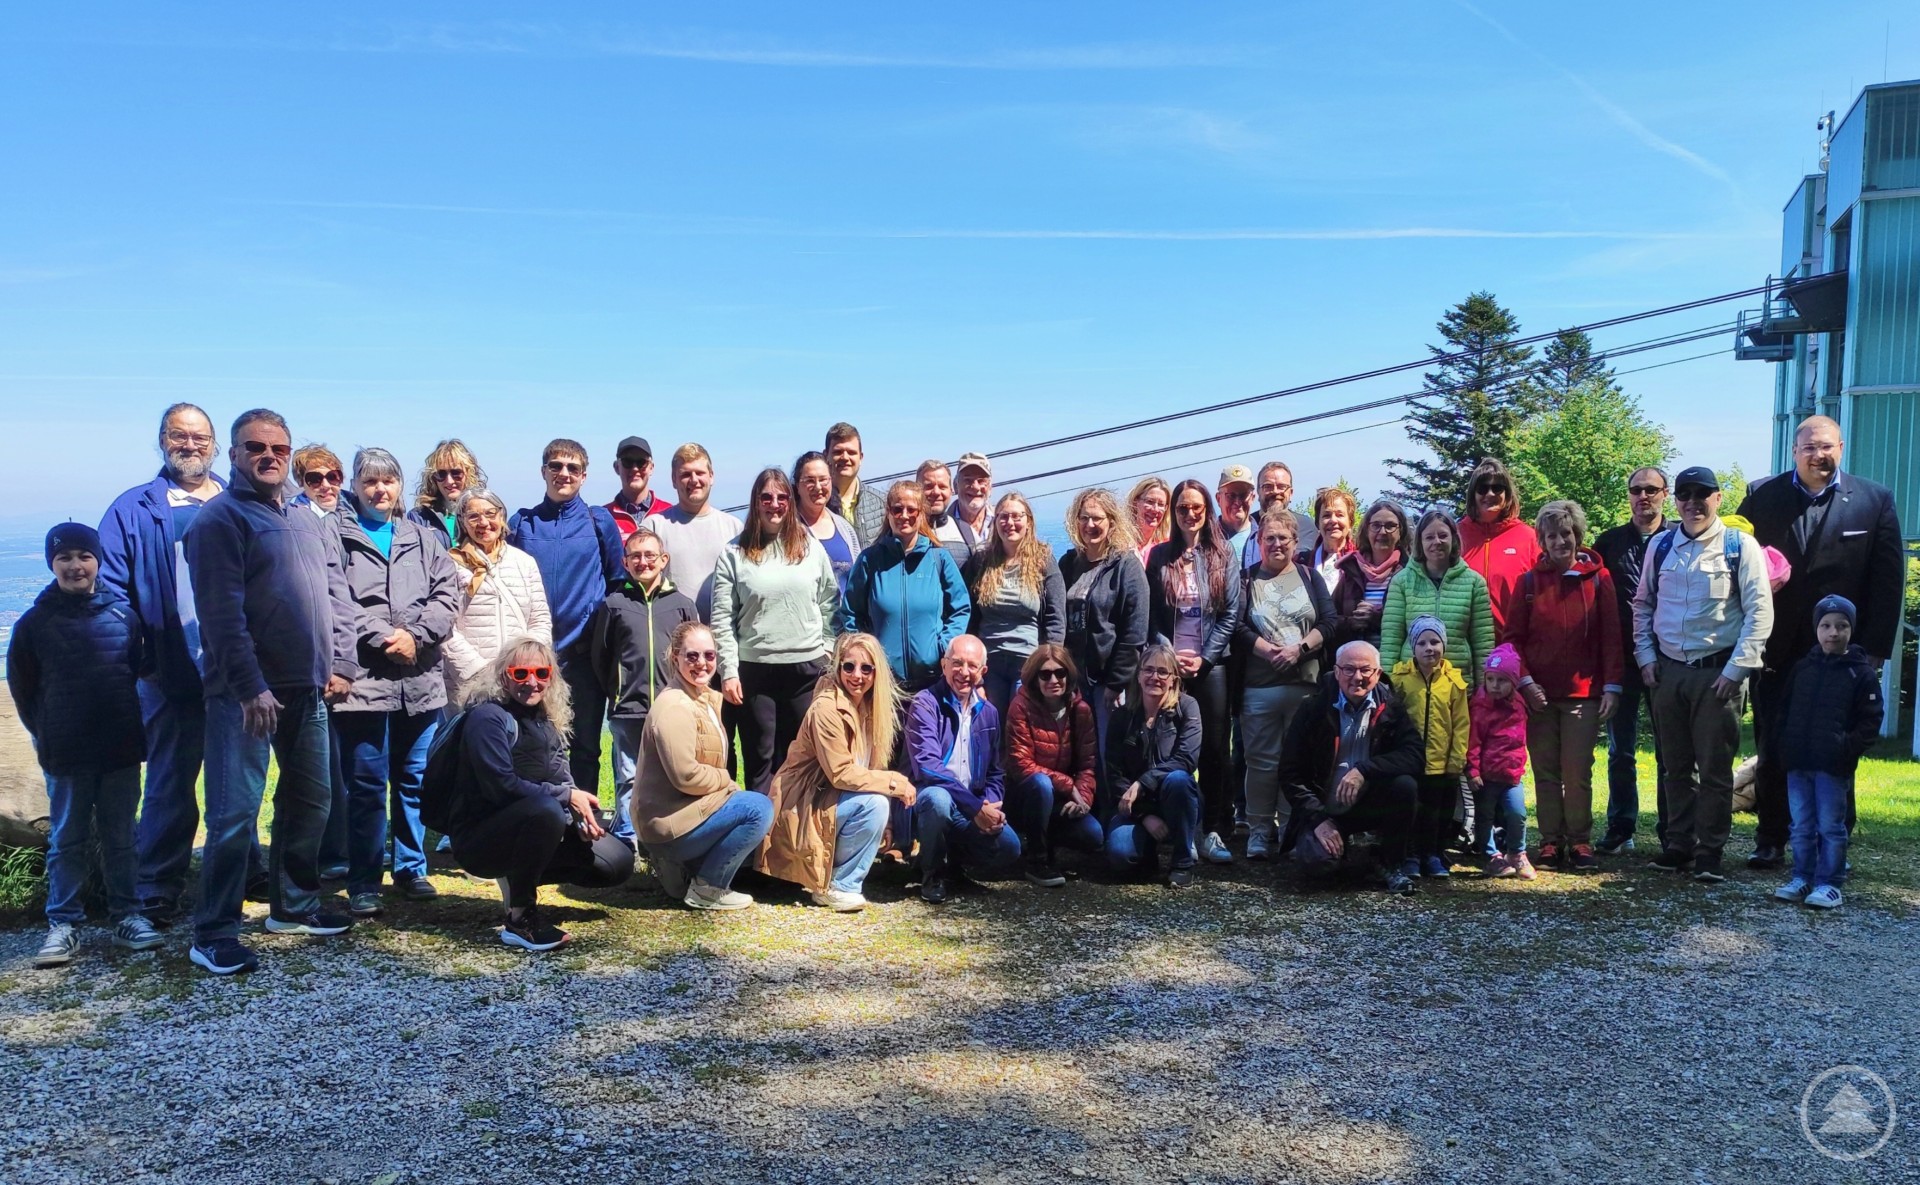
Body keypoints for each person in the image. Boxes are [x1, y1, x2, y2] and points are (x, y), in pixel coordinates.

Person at [184, 408, 346, 975]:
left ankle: (293, 906)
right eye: (255, 447)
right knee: (234, 813)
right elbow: (221, 617)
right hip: (244, 695)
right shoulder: (218, 520)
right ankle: (213, 930)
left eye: (278, 448)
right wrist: (250, 687)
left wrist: (335, 663)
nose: (268, 456)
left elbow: (328, 597)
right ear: (233, 455)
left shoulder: (305, 520)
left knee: (312, 798)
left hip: (307, 688)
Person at [1740, 415, 1905, 870]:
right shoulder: (1761, 496)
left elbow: (1888, 582)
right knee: (1774, 744)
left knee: (1836, 746)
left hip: (1842, 650)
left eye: (1828, 446)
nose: (1820, 455)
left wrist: (1873, 649)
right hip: (1775, 647)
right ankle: (1771, 838)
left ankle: (1835, 842)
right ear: (1795, 451)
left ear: (1841, 447)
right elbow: (1736, 568)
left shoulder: (1874, 500)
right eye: (1811, 447)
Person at [97, 402, 239, 926]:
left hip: (238, 673)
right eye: (180, 436)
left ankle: (240, 871)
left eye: (201, 438)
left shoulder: (239, 500)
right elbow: (110, 594)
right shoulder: (133, 509)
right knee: (169, 784)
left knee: (236, 785)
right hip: (169, 671)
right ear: (161, 440)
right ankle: (157, 886)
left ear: (216, 445)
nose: (191, 446)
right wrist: (141, 661)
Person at [9, 523, 164, 967]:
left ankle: (128, 916)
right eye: (64, 558)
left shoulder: (123, 615)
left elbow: (138, 671)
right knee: (67, 839)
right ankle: (64, 924)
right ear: (51, 564)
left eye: (84, 556)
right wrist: (46, 734)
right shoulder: (34, 624)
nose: (75, 566)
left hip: (118, 746)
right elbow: (23, 689)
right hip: (65, 751)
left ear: (97, 561)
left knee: (122, 836)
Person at [329, 447, 462, 915]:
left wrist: (416, 635)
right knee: (365, 783)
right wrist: (385, 637)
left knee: (413, 780)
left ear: (399, 486)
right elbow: (336, 602)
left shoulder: (423, 538)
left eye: (388, 481)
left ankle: (410, 867)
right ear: (357, 487)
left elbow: (449, 596)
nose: (380, 490)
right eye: (370, 482)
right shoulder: (335, 537)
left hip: (420, 679)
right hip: (363, 683)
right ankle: (363, 879)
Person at [443, 639, 636, 950]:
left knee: (618, 862)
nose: (531, 682)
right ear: (503, 675)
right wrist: (564, 797)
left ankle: (517, 875)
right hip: (478, 837)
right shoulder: (487, 718)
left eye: (541, 673)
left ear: (551, 676)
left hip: (535, 822)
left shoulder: (547, 717)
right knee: (545, 807)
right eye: (520, 673)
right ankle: (520, 920)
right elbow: (501, 786)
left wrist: (579, 817)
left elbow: (562, 777)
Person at [1631, 466, 1774, 883]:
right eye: (1685, 494)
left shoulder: (1739, 547)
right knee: (1674, 766)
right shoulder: (1660, 547)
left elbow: (1759, 612)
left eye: (1702, 494)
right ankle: (1679, 845)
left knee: (1714, 771)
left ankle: (1709, 851)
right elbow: (1642, 606)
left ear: (1717, 499)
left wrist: (1737, 669)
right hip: (1668, 673)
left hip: (1718, 675)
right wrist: (1645, 658)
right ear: (1675, 500)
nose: (1693, 502)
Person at [1503, 500, 1622, 872]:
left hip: (1583, 696)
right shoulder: (1528, 583)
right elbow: (1512, 640)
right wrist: (1524, 683)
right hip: (1538, 695)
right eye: (1551, 535)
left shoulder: (1599, 579)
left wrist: (1612, 686)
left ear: (1577, 536)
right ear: (1542, 540)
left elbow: (1611, 637)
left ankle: (1581, 840)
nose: (1560, 541)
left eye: (1566, 534)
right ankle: (1551, 841)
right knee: (1546, 771)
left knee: (1577, 771)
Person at [762, 632, 915, 911]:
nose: (857, 675)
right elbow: (841, 773)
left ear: (876, 672)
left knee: (877, 805)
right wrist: (894, 783)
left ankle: (835, 878)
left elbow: (869, 771)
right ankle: (839, 886)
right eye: (849, 667)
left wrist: (888, 822)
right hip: (801, 806)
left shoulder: (871, 707)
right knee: (876, 803)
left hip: (829, 800)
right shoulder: (826, 708)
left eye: (866, 668)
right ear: (838, 667)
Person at [711, 467, 840, 793]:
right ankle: (761, 842)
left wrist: (827, 649)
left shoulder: (810, 548)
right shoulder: (734, 552)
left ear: (791, 501)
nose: (775, 504)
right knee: (761, 763)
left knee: (801, 762)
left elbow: (830, 602)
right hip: (756, 674)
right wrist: (728, 671)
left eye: (782, 497)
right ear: (755, 502)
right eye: (766, 497)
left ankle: (797, 840)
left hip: (807, 671)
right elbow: (722, 618)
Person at [632, 622, 775, 910]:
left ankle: (683, 870)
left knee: (749, 814)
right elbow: (686, 776)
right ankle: (708, 887)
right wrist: (725, 781)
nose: (702, 664)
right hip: (664, 823)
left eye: (709, 656)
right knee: (758, 809)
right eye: (692, 656)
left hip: (684, 813)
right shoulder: (675, 706)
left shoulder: (705, 699)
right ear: (675, 658)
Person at [1144, 480, 1242, 864]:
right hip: (1168, 668)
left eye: (1196, 508)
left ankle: (1214, 829)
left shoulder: (1222, 554)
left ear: (1207, 511)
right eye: (1182, 508)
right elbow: (1152, 616)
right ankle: (1177, 828)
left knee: (1216, 749)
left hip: (1210, 666)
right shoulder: (1159, 557)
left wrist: (1205, 658)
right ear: (1174, 513)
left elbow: (1231, 614)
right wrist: (1167, 655)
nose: (1189, 514)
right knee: (1168, 748)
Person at [1276, 641, 1420, 894]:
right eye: (1349, 670)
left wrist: (1364, 770)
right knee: (1318, 864)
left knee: (1405, 786)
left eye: (1366, 670)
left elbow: (1415, 755)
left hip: (1368, 804)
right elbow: (1290, 773)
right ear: (1336, 670)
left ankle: (1390, 861)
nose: (1358, 678)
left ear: (1378, 673)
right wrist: (1318, 818)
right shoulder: (1313, 708)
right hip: (1324, 807)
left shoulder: (1392, 707)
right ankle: (1346, 851)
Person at [1768, 596, 1882, 910]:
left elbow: (1871, 719)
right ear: (1816, 629)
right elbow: (1784, 711)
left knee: (1831, 826)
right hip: (1798, 763)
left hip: (1833, 766)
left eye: (1842, 626)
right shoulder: (1802, 669)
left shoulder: (1861, 673)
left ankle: (1829, 883)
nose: (1833, 632)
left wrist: (1846, 748)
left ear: (1851, 630)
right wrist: (1783, 746)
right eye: (1826, 625)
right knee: (1801, 824)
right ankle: (1802, 876)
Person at [590, 528, 700, 848]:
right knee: (628, 778)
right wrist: (616, 691)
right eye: (635, 556)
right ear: (625, 562)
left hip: (672, 709)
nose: (643, 561)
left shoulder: (682, 604)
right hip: (628, 708)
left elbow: (693, 655)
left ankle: (668, 839)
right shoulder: (614, 604)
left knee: (672, 774)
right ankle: (628, 841)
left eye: (650, 555)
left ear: (663, 559)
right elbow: (602, 655)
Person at [1236, 509, 1333, 860]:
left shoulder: (1310, 576)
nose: (1276, 544)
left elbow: (1330, 621)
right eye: (1269, 538)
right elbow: (1236, 625)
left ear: (1295, 542)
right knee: (1261, 762)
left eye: (1283, 538)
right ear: (1259, 542)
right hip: (1259, 687)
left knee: (1297, 762)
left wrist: (1300, 650)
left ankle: (1292, 828)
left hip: (1305, 687)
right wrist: (1266, 651)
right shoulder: (1246, 579)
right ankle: (1259, 830)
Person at [1591, 466, 1670, 854]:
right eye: (1637, 490)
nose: (1644, 497)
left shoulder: (1680, 540)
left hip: (1669, 657)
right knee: (1621, 749)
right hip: (1621, 658)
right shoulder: (1609, 543)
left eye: (1651, 490)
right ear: (1629, 496)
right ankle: (1621, 826)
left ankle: (1672, 830)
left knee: (1670, 749)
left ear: (1664, 494)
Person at [907, 635, 1020, 903]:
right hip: (926, 800)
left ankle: (953, 867)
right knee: (938, 799)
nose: (964, 672)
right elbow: (928, 767)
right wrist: (975, 808)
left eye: (972, 665)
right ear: (944, 665)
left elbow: (994, 771)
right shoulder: (925, 703)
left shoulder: (989, 712)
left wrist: (991, 804)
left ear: (983, 672)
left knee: (1010, 848)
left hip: (971, 804)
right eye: (957, 663)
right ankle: (931, 871)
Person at [1058, 488, 1150, 808]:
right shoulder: (1069, 562)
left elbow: (1135, 629)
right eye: (1084, 518)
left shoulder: (1126, 565)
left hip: (1109, 680)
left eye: (1098, 518)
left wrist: (1116, 682)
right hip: (1072, 679)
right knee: (1079, 752)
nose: (1091, 524)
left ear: (1112, 522)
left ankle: (1113, 821)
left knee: (1109, 751)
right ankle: (1083, 820)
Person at [839, 481, 971, 692]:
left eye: (912, 509)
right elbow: (850, 613)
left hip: (933, 681)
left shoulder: (939, 558)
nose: (904, 515)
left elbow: (961, 608)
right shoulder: (870, 560)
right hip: (883, 682)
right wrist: (865, 652)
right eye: (897, 509)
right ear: (888, 513)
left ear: (921, 514)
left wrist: (943, 647)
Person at [1103, 643, 1203, 888]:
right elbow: (1113, 772)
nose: (1154, 677)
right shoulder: (1122, 716)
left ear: (1173, 679)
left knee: (1178, 779)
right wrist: (1144, 815)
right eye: (1148, 670)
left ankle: (1182, 862)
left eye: (1162, 671)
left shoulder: (1187, 707)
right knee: (1120, 856)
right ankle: (1147, 854)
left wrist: (1142, 782)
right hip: (1135, 808)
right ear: (1138, 676)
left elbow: (1186, 760)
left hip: (1174, 799)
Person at [964, 491, 1067, 725]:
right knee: (990, 728)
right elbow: (970, 615)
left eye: (1016, 516)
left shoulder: (1043, 560)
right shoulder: (982, 561)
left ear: (1028, 522)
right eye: (1003, 517)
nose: (1010, 523)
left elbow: (1055, 617)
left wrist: (1049, 664)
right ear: (995, 521)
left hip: (1028, 663)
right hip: (989, 664)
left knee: (1021, 728)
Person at [1005, 645, 1104, 887]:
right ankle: (1037, 861)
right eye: (1045, 674)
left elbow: (1088, 764)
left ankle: (1046, 841)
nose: (1053, 680)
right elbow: (1021, 764)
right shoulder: (1020, 706)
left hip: (1061, 799)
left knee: (1093, 835)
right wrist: (1068, 785)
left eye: (1060, 673)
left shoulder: (1080, 710)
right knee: (1040, 784)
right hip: (1024, 795)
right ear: (1033, 677)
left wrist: (1082, 799)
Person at [443, 490, 552, 694]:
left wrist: (527, 665)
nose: (483, 523)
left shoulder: (524, 562)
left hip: (520, 679)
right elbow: (445, 627)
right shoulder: (448, 565)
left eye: (490, 514)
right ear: (462, 522)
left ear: (501, 516)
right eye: (473, 516)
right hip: (468, 682)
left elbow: (540, 619)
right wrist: (478, 670)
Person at [1389, 616, 1469, 879]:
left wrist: (1456, 760)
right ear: (1413, 648)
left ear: (1444, 646)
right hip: (1410, 761)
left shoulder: (1454, 683)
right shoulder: (1400, 679)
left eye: (1435, 641)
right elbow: (1391, 719)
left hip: (1440, 761)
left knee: (1436, 813)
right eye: (1422, 642)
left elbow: (1461, 724)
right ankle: (1410, 855)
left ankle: (1432, 854)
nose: (1429, 648)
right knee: (1411, 810)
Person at [1379, 509, 1496, 682]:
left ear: (1453, 539)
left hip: (1459, 687)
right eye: (1429, 537)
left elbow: (1483, 644)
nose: (1437, 542)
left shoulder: (1474, 582)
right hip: (1411, 687)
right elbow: (1391, 641)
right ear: (1420, 542)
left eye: (1443, 535)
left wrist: (1483, 691)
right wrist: (1388, 687)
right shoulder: (1401, 581)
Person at [642, 442, 745, 623]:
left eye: (700, 473)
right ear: (674, 480)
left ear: (711, 476)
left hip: (722, 639)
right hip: (671, 639)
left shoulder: (735, 528)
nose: (694, 480)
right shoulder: (653, 527)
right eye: (686, 474)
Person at [1469, 645, 1534, 879]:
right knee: (1484, 815)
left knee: (1517, 814)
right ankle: (1491, 855)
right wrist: (1473, 770)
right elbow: (1473, 741)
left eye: (1502, 680)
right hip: (1486, 776)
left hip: (1512, 775)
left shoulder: (1519, 705)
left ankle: (1517, 852)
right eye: (1490, 679)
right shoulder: (1480, 707)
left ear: (1514, 683)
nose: (1495, 685)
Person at [1457, 457, 1541, 637]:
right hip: (1464, 646)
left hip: (1514, 645)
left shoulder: (1529, 538)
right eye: (1483, 488)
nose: (1490, 494)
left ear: (1507, 494)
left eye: (1497, 488)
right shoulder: (1456, 536)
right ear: (1473, 494)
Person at [1330, 498, 1410, 651]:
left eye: (1390, 526)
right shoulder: (1351, 571)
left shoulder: (1410, 573)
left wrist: (1376, 619)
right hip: (1354, 666)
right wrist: (1350, 622)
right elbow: (1329, 619)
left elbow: (1415, 622)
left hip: (1395, 665)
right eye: (1376, 526)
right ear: (1367, 531)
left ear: (1401, 532)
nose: (1382, 532)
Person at [793, 450, 861, 590]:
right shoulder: (788, 530)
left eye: (823, 479)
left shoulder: (845, 528)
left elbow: (860, 578)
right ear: (797, 486)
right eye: (810, 481)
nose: (818, 487)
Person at [406, 439, 485, 551]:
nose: (449, 481)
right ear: (433, 478)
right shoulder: (419, 518)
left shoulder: (484, 515)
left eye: (456, 473)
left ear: (469, 473)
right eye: (441, 474)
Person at [1239, 461, 1318, 568]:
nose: (1275, 491)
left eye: (1281, 486)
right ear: (1258, 492)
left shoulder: (1307, 527)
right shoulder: (1246, 526)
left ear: (1291, 493)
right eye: (1268, 486)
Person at [825, 421, 888, 547]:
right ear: (826, 456)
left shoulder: (883, 504)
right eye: (838, 452)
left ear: (861, 457)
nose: (845, 457)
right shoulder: (815, 505)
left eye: (851, 452)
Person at [920, 458, 985, 564]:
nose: (936, 492)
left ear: (951, 491)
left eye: (942, 487)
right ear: (917, 490)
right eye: (929, 486)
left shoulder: (966, 532)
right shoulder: (904, 532)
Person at [605, 436, 672, 538]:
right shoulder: (604, 517)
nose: (635, 468)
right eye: (627, 462)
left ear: (651, 468)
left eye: (641, 462)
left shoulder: (669, 513)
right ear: (617, 467)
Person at [1305, 486, 1358, 593]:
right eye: (1326, 515)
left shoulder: (1360, 562)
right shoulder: (1303, 562)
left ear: (1350, 522)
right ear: (1317, 523)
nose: (1333, 520)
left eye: (1340, 515)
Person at [951, 452, 994, 551]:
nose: (975, 487)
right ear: (956, 486)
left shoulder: (1003, 522)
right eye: (968, 480)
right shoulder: (941, 527)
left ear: (990, 487)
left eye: (981, 481)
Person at [1215, 464, 1258, 559]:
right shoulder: (1205, 539)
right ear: (1218, 499)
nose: (1237, 502)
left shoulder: (1265, 539)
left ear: (1252, 498)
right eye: (1231, 496)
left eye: (1243, 495)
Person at [1127, 476, 1171, 564]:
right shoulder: (1120, 544)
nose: (1155, 509)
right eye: (1150, 502)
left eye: (1161, 504)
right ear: (1136, 502)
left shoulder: (1168, 548)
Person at [292, 445, 345, 518]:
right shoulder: (295, 518)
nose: (326, 485)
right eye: (315, 479)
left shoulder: (354, 508)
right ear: (300, 483)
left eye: (332, 477)